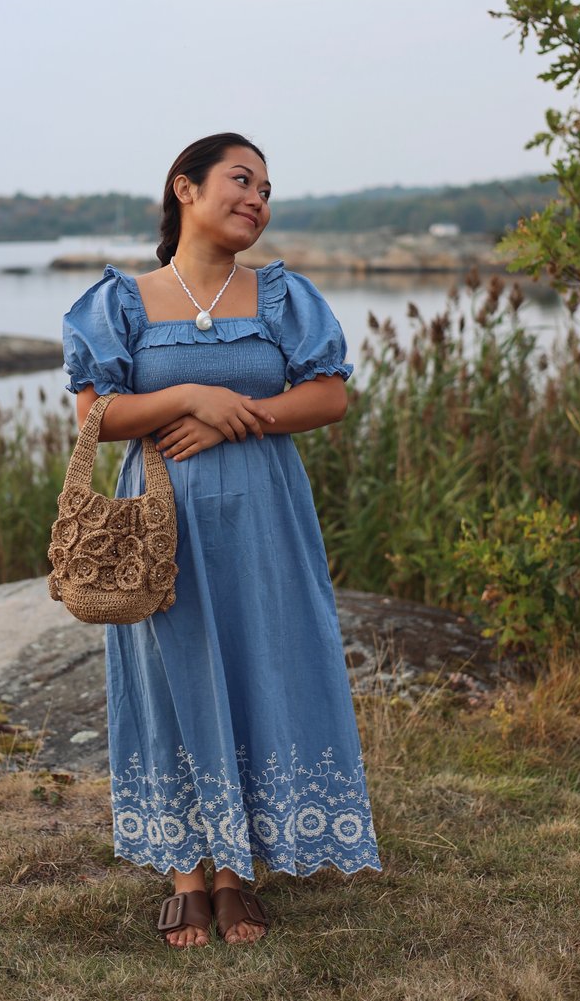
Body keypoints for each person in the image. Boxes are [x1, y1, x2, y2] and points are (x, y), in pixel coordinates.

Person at [62, 133, 380, 948]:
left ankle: (237, 872)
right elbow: (97, 419)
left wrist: (238, 422)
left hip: (264, 517)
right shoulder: (121, 301)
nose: (257, 200)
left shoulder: (282, 295)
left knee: (258, 667)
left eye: (267, 190)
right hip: (158, 522)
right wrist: (193, 393)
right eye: (242, 180)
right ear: (185, 189)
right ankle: (185, 874)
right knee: (167, 678)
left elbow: (329, 396)